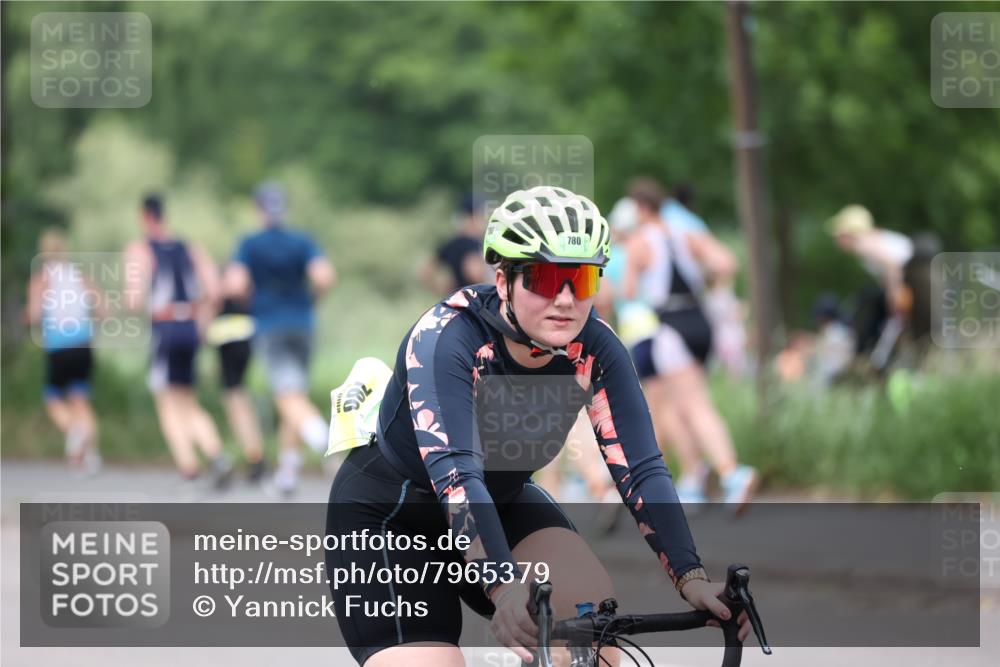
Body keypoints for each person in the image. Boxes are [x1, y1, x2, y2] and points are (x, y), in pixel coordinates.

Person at [325, 186, 750, 667]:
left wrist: (690, 578)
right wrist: (504, 586)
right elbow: (458, 476)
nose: (566, 300)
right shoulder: (446, 338)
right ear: (503, 280)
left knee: (595, 633)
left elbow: (641, 467)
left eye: (583, 280)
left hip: (500, 502)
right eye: (546, 279)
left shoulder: (596, 346)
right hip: (391, 517)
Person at [621, 178, 757, 509]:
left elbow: (627, 291)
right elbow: (726, 263)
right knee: (679, 405)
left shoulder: (641, 241)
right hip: (700, 320)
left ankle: (731, 473)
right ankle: (695, 478)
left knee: (692, 405)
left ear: (640, 207)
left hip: (670, 324)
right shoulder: (684, 233)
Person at [225, 183, 336, 496]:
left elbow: (234, 284)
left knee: (287, 398)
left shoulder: (250, 244)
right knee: (295, 395)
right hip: (303, 324)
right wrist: (311, 299)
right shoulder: (302, 241)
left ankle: (325, 442)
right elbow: (325, 277)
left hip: (271, 324)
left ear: (259, 210)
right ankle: (287, 473)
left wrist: (249, 299)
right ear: (283, 209)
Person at [123, 195, 232, 491]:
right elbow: (215, 290)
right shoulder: (190, 248)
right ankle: (216, 453)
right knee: (186, 397)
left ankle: (190, 468)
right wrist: (202, 323)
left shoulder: (141, 249)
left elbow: (133, 299)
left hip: (165, 326)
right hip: (190, 326)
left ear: (144, 216)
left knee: (167, 400)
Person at [26, 229, 102, 474]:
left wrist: (26, 317)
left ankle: (74, 432)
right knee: (81, 401)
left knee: (53, 398)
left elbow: (35, 313)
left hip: (59, 344)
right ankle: (91, 457)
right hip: (83, 343)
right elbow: (104, 307)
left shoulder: (42, 279)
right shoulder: (79, 276)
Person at [827, 204, 913, 367]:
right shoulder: (871, 241)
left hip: (909, 280)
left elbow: (891, 265)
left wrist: (893, 296)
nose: (837, 239)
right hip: (906, 280)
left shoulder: (864, 243)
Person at [206, 290, 267, 483]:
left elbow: (212, 298)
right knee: (237, 395)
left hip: (228, 339)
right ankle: (254, 455)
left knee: (234, 398)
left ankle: (255, 456)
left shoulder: (227, 275)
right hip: (246, 334)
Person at [419, 194, 491, 296]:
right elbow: (473, 271)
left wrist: (446, 289)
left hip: (456, 301)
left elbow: (425, 272)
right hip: (476, 303)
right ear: (472, 217)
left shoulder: (451, 243)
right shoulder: (472, 244)